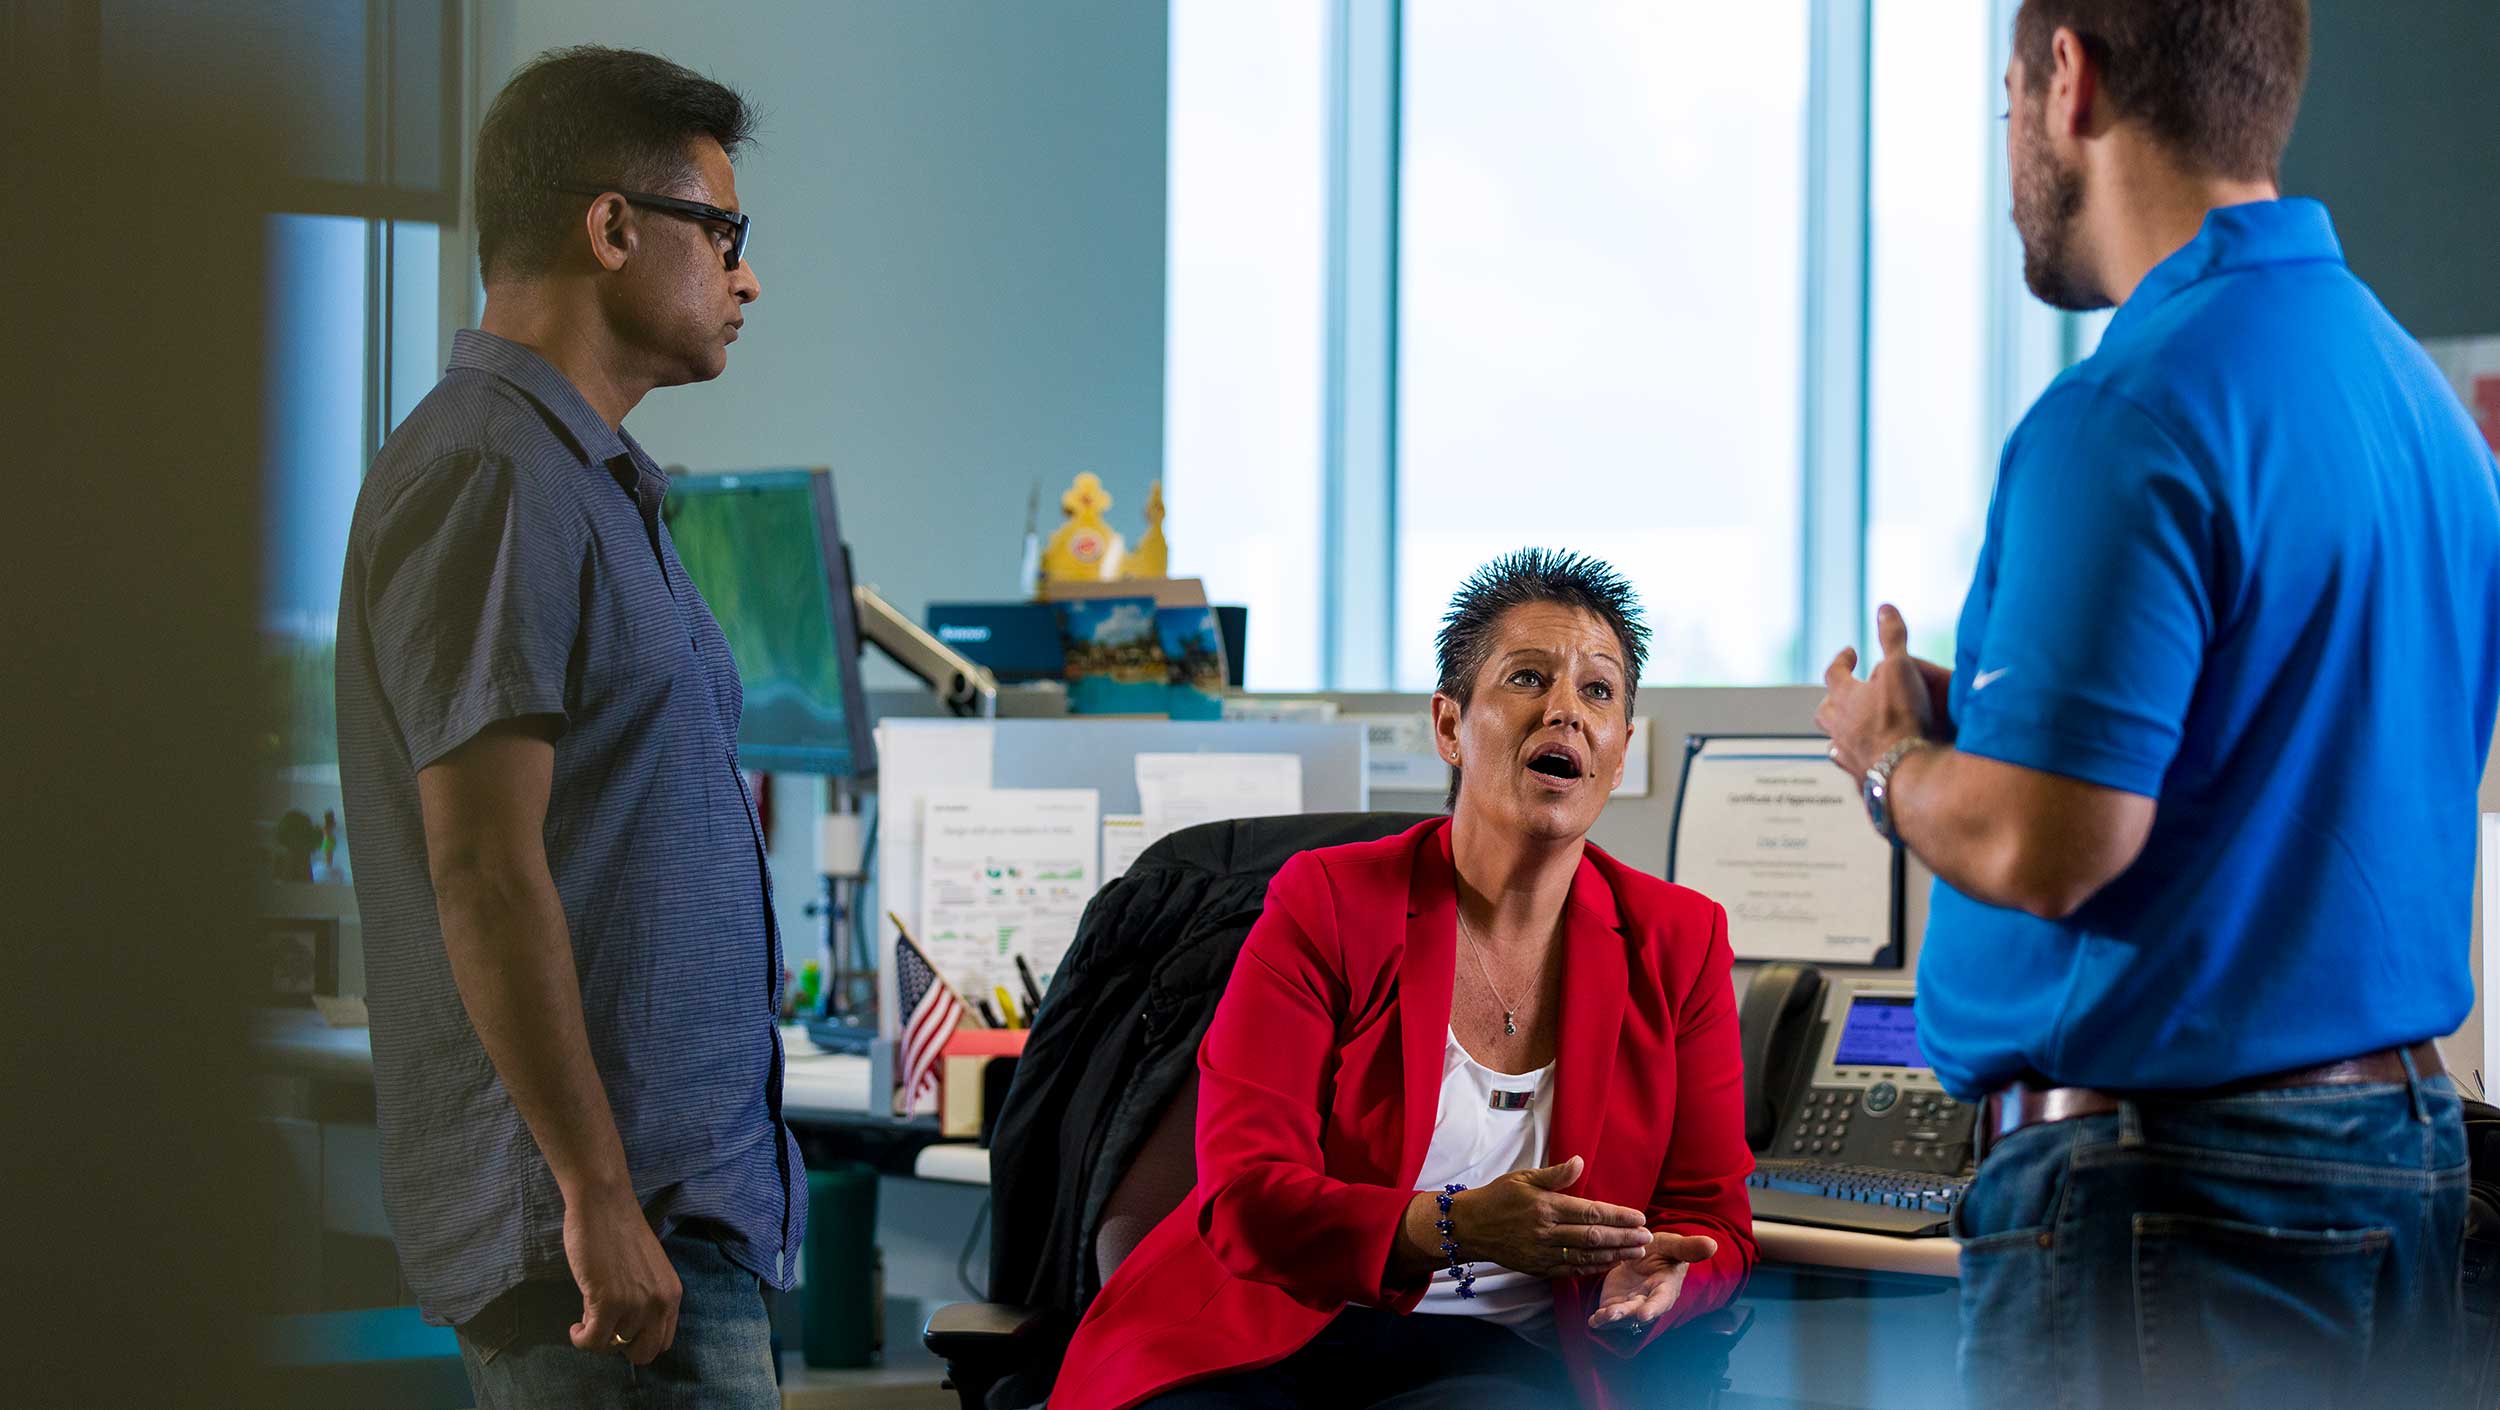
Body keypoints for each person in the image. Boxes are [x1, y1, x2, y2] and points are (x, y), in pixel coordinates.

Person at [1814, 4, 2500, 1407]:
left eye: (2008, 93)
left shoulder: (2129, 407)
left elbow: (2049, 844)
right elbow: (2286, 741)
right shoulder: (2415, 409)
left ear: (2068, 78)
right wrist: (1996, 724)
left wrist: (1891, 757)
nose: (2009, 141)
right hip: (2399, 1157)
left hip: (2169, 1198)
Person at [334, 46, 792, 1409]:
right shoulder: (495, 468)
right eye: (723, 234)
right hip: (606, 1243)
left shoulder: (586, 479)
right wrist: (595, 1192)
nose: (746, 277)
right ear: (610, 227)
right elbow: (480, 865)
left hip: (672, 1215)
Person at [1053, 550, 1758, 1410]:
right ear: (1450, 726)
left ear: (1618, 755)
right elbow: (1245, 1195)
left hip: (1502, 1357)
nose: (1566, 711)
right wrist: (1454, 1226)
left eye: (1598, 692)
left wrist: (1665, 1280)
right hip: (1274, 1329)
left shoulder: (1679, 941)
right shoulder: (1329, 902)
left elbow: (1712, 1219)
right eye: (1528, 678)